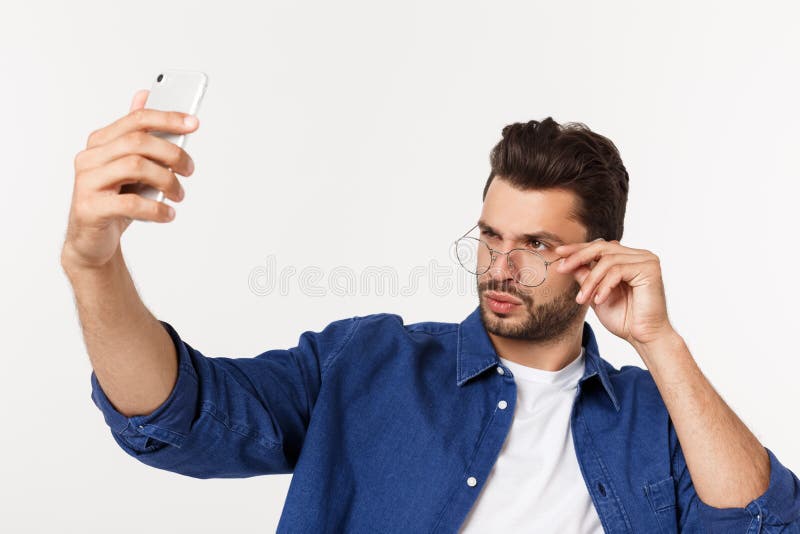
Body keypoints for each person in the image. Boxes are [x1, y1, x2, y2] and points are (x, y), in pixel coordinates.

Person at [61, 90, 800, 533]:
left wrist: (660, 342)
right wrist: (94, 267)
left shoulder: (656, 417)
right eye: (490, 236)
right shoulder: (367, 364)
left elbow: (766, 525)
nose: (501, 267)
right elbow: (179, 416)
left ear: (598, 256)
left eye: (537, 244)